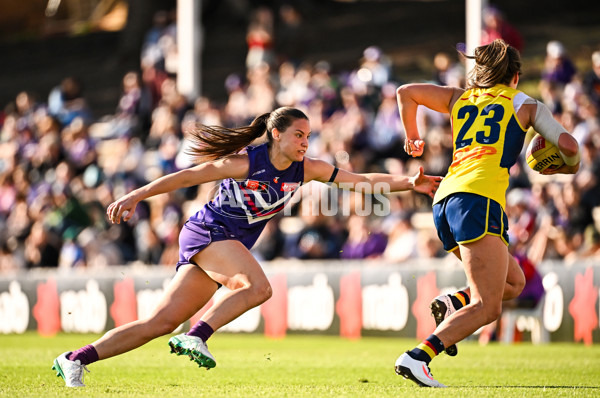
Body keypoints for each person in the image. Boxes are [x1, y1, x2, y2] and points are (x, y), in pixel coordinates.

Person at [51, 106, 443, 387]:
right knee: (258, 287)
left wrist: (409, 183)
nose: (306, 142)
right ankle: (198, 335)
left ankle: (74, 359)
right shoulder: (246, 162)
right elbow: (188, 176)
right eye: (298, 135)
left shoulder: (307, 170)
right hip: (206, 233)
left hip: (224, 243)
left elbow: (359, 180)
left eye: (308, 136)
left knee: (159, 323)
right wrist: (137, 195)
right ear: (277, 134)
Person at [393, 39, 580, 388]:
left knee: (514, 283)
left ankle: (454, 301)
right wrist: (568, 167)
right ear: (516, 76)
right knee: (489, 306)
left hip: (444, 201)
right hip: (479, 200)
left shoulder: (458, 97)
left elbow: (406, 92)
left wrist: (413, 136)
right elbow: (569, 146)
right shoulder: (524, 103)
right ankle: (418, 357)